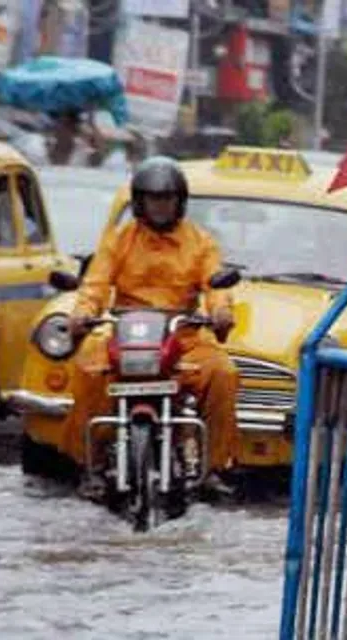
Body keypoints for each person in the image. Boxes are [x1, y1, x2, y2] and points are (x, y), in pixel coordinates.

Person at [65, 156, 243, 495]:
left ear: (180, 202)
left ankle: (214, 467)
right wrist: (83, 312)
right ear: (139, 202)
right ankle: (91, 463)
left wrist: (220, 312)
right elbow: (95, 285)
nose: (161, 206)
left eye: (168, 199)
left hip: (183, 337)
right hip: (127, 336)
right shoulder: (118, 240)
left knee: (223, 373)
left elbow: (216, 286)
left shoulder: (201, 242)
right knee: (88, 369)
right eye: (154, 199)